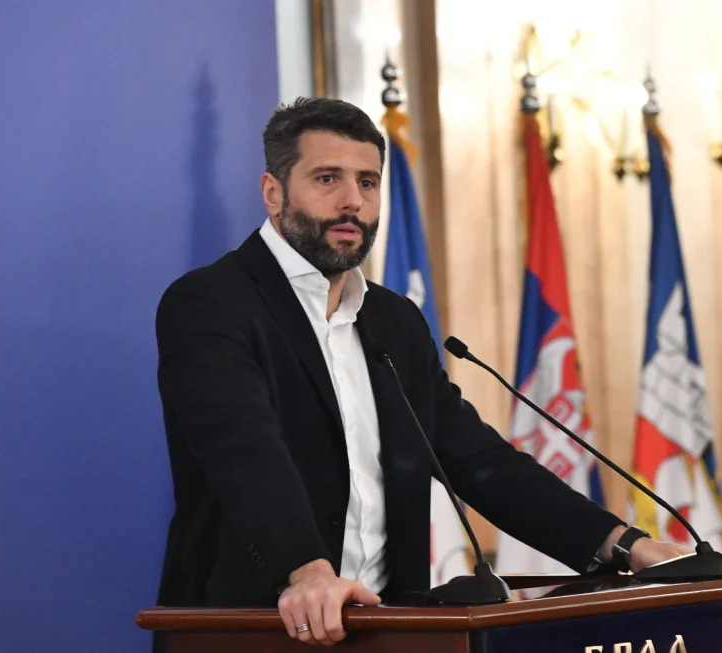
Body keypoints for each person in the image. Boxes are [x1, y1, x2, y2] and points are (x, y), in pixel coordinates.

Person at [153, 97, 691, 646]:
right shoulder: (210, 304)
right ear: (273, 193)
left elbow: (477, 460)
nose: (351, 202)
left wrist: (622, 544)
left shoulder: (394, 321)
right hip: (251, 631)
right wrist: (307, 572)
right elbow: (245, 452)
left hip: (389, 629)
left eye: (367, 182)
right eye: (327, 179)